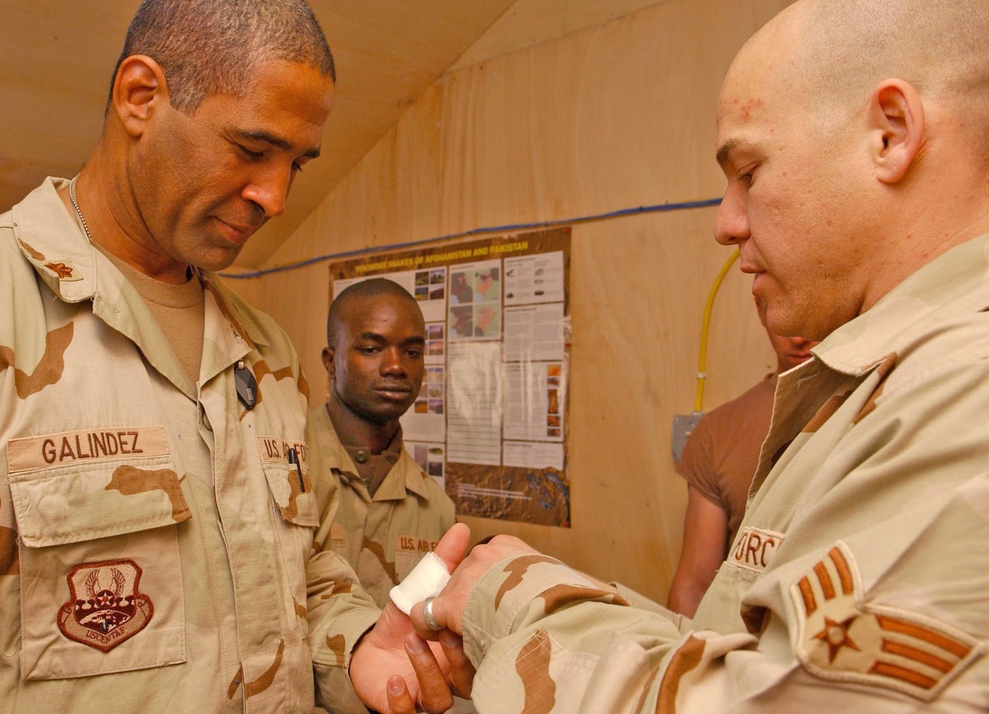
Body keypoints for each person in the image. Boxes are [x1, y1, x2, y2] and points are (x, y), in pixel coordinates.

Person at [405, 0, 989, 710]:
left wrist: (510, 594)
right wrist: (539, 620)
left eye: (748, 170)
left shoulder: (963, 388)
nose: (726, 222)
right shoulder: (887, 382)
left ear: (890, 136)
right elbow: (754, 657)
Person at [0, 2, 467, 712]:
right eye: (250, 149)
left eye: (296, 165)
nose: (275, 199)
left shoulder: (264, 352)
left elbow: (300, 574)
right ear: (140, 97)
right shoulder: (4, 307)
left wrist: (362, 644)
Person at [668, 299, 817, 616]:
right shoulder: (718, 431)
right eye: (783, 312)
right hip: (743, 645)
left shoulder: (878, 407)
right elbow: (693, 587)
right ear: (762, 312)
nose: (798, 336)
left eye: (812, 313)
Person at [315, 278, 456, 609]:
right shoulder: (290, 470)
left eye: (411, 352)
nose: (396, 367)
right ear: (330, 362)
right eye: (371, 349)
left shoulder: (435, 509)